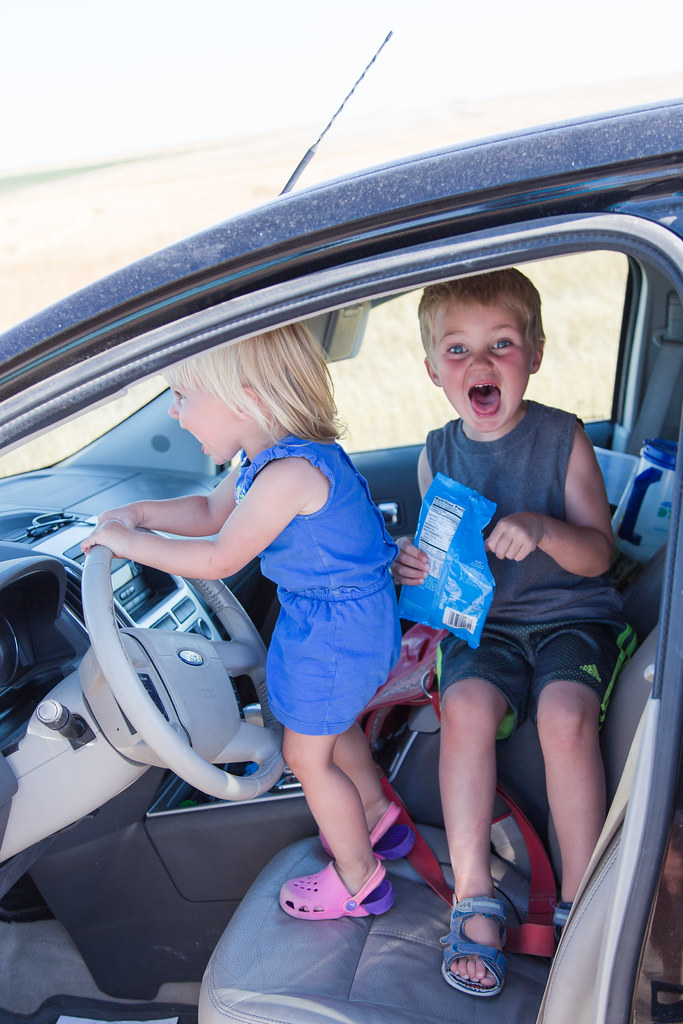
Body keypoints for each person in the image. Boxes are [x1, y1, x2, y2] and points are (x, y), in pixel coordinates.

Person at [82, 324, 406, 921]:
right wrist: (139, 513)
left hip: (335, 636)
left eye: (184, 395)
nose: (174, 413)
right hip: (343, 627)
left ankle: (359, 879)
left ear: (248, 397)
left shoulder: (289, 475)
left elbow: (219, 557)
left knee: (307, 757)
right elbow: (209, 512)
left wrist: (129, 544)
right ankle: (376, 817)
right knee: (333, 729)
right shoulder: (273, 459)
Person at [392, 270, 635, 996]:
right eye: (458, 350)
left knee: (564, 715)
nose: (480, 364)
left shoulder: (560, 438)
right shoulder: (437, 451)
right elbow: (440, 564)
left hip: (571, 617)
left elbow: (599, 553)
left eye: (500, 343)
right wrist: (411, 564)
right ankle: (474, 895)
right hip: (488, 628)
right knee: (462, 709)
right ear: (432, 369)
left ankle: (582, 900)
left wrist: (543, 528)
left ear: (532, 353)